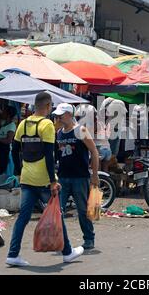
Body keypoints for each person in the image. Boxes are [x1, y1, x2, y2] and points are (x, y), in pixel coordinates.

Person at [6, 93, 83, 267]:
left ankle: (12, 254)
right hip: (44, 181)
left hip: (26, 178)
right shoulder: (47, 124)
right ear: (48, 106)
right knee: (57, 214)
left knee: (22, 218)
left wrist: (19, 172)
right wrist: (52, 181)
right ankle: (68, 252)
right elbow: (49, 155)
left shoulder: (23, 124)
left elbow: (14, 150)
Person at [54, 103, 100, 251]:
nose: (58, 117)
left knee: (82, 210)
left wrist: (95, 175)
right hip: (62, 177)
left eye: (61, 114)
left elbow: (94, 152)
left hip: (80, 177)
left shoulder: (81, 130)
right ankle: (60, 240)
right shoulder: (59, 132)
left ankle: (89, 239)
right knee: (58, 210)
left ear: (69, 114)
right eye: (57, 115)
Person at [0, 106, 17, 175]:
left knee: (0, 168)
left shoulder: (12, 125)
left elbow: (8, 141)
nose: (2, 113)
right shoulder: (3, 122)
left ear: (8, 114)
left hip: (3, 149)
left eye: (4, 112)